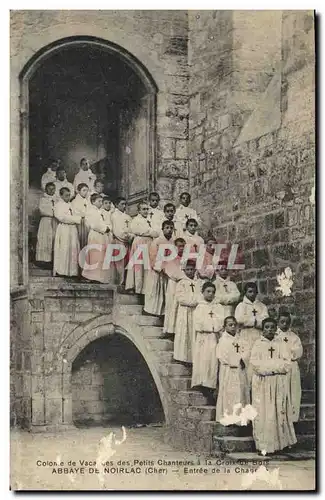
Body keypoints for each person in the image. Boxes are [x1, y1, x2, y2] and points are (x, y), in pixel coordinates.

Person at [250, 317, 297, 456]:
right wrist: (272, 368)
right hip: (263, 383)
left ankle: (282, 443)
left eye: (272, 327)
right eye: (267, 327)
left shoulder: (281, 344)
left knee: (280, 410)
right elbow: (255, 364)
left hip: (278, 382)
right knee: (264, 413)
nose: (269, 330)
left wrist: (274, 368)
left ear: (275, 328)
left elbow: (287, 363)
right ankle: (265, 445)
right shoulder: (258, 344)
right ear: (263, 329)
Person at [191, 281, 224, 404]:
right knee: (204, 362)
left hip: (215, 338)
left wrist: (214, 327)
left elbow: (221, 321)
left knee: (214, 363)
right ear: (203, 292)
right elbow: (199, 324)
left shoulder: (218, 307)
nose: (211, 294)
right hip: (204, 338)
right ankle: (204, 386)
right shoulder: (199, 307)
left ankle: (212, 386)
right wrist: (212, 326)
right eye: (208, 291)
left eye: (213, 292)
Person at [215, 316, 250, 422]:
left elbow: (247, 351)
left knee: (241, 393)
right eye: (230, 325)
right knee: (229, 394)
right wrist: (237, 360)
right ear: (225, 327)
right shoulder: (223, 341)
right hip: (228, 371)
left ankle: (241, 420)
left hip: (240, 371)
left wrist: (243, 359)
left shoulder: (241, 339)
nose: (233, 327)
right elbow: (223, 356)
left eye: (235, 324)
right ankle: (229, 418)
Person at [235, 282, 268, 379]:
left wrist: (254, 322)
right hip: (246, 335)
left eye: (254, 292)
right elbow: (239, 319)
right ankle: (247, 385)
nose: (252, 294)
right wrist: (254, 321)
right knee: (246, 358)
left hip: (258, 335)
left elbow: (265, 321)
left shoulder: (262, 306)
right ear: (245, 292)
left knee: (258, 358)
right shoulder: (241, 306)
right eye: (250, 292)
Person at [275, 311, 303, 422]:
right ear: (278, 322)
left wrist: (286, 354)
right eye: (282, 322)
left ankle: (292, 417)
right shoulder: (274, 336)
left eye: (287, 322)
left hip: (292, 366)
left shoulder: (294, 337)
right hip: (279, 366)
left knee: (293, 391)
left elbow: (297, 352)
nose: (285, 325)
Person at [125, 201, 159, 294]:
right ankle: (136, 287)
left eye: (147, 209)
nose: (146, 211)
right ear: (139, 211)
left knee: (148, 265)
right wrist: (150, 231)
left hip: (149, 243)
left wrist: (151, 232)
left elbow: (157, 231)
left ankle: (146, 288)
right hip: (140, 242)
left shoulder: (150, 220)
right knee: (138, 265)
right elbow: (137, 230)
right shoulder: (136, 220)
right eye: (143, 209)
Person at [173, 260, 201, 364]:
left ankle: (193, 358)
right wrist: (194, 302)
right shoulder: (181, 283)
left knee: (194, 334)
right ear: (184, 270)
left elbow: (201, 296)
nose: (190, 272)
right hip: (185, 312)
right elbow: (181, 298)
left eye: (192, 269)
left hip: (196, 312)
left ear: (195, 270)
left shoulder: (198, 283)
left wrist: (197, 302)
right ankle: (183, 357)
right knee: (184, 333)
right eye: (188, 269)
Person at [144, 220, 174, 316]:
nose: (169, 230)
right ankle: (151, 311)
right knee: (154, 291)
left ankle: (163, 312)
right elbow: (153, 256)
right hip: (157, 271)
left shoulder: (173, 242)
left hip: (168, 271)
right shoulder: (156, 241)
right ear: (162, 229)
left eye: (171, 228)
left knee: (165, 292)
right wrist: (159, 267)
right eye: (167, 228)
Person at [81, 193, 112, 283]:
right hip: (95, 235)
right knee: (94, 255)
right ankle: (91, 276)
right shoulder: (90, 211)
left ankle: (99, 277)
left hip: (102, 236)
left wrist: (108, 228)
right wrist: (104, 228)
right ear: (93, 202)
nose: (101, 203)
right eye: (99, 201)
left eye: (101, 201)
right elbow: (93, 224)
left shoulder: (101, 211)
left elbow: (107, 222)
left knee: (101, 256)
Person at [53, 187, 81, 277]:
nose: (68, 197)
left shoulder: (72, 205)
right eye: (66, 195)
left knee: (72, 249)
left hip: (72, 229)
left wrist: (74, 219)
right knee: (64, 249)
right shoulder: (58, 205)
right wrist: (74, 219)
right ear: (61, 196)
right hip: (64, 229)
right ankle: (62, 271)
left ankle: (72, 272)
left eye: (69, 195)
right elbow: (61, 217)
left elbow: (79, 216)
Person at [163, 238, 186, 335]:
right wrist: (185, 277)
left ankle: (177, 330)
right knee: (171, 306)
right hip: (173, 284)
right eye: (179, 246)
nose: (181, 248)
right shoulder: (171, 259)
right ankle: (169, 329)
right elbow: (172, 272)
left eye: (183, 246)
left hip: (183, 285)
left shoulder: (185, 259)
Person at [110, 197, 133, 286]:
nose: (124, 206)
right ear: (116, 205)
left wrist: (131, 236)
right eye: (122, 204)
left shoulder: (127, 217)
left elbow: (131, 229)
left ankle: (125, 282)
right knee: (119, 263)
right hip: (119, 241)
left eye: (125, 204)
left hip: (127, 242)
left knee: (126, 263)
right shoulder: (114, 215)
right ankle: (118, 283)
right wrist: (127, 237)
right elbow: (117, 231)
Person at [35, 182, 58, 265]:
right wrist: (53, 213)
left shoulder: (57, 199)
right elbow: (42, 210)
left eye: (53, 189)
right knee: (44, 239)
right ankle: (43, 260)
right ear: (46, 189)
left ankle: (52, 261)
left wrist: (56, 213)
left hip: (55, 221)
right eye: (49, 188)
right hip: (45, 221)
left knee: (53, 239)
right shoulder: (43, 199)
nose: (51, 190)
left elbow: (59, 209)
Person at [71, 183, 90, 249]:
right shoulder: (75, 201)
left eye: (87, 191)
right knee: (81, 240)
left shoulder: (87, 201)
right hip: (80, 223)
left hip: (87, 222)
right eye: (84, 190)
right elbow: (75, 213)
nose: (86, 192)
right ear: (79, 191)